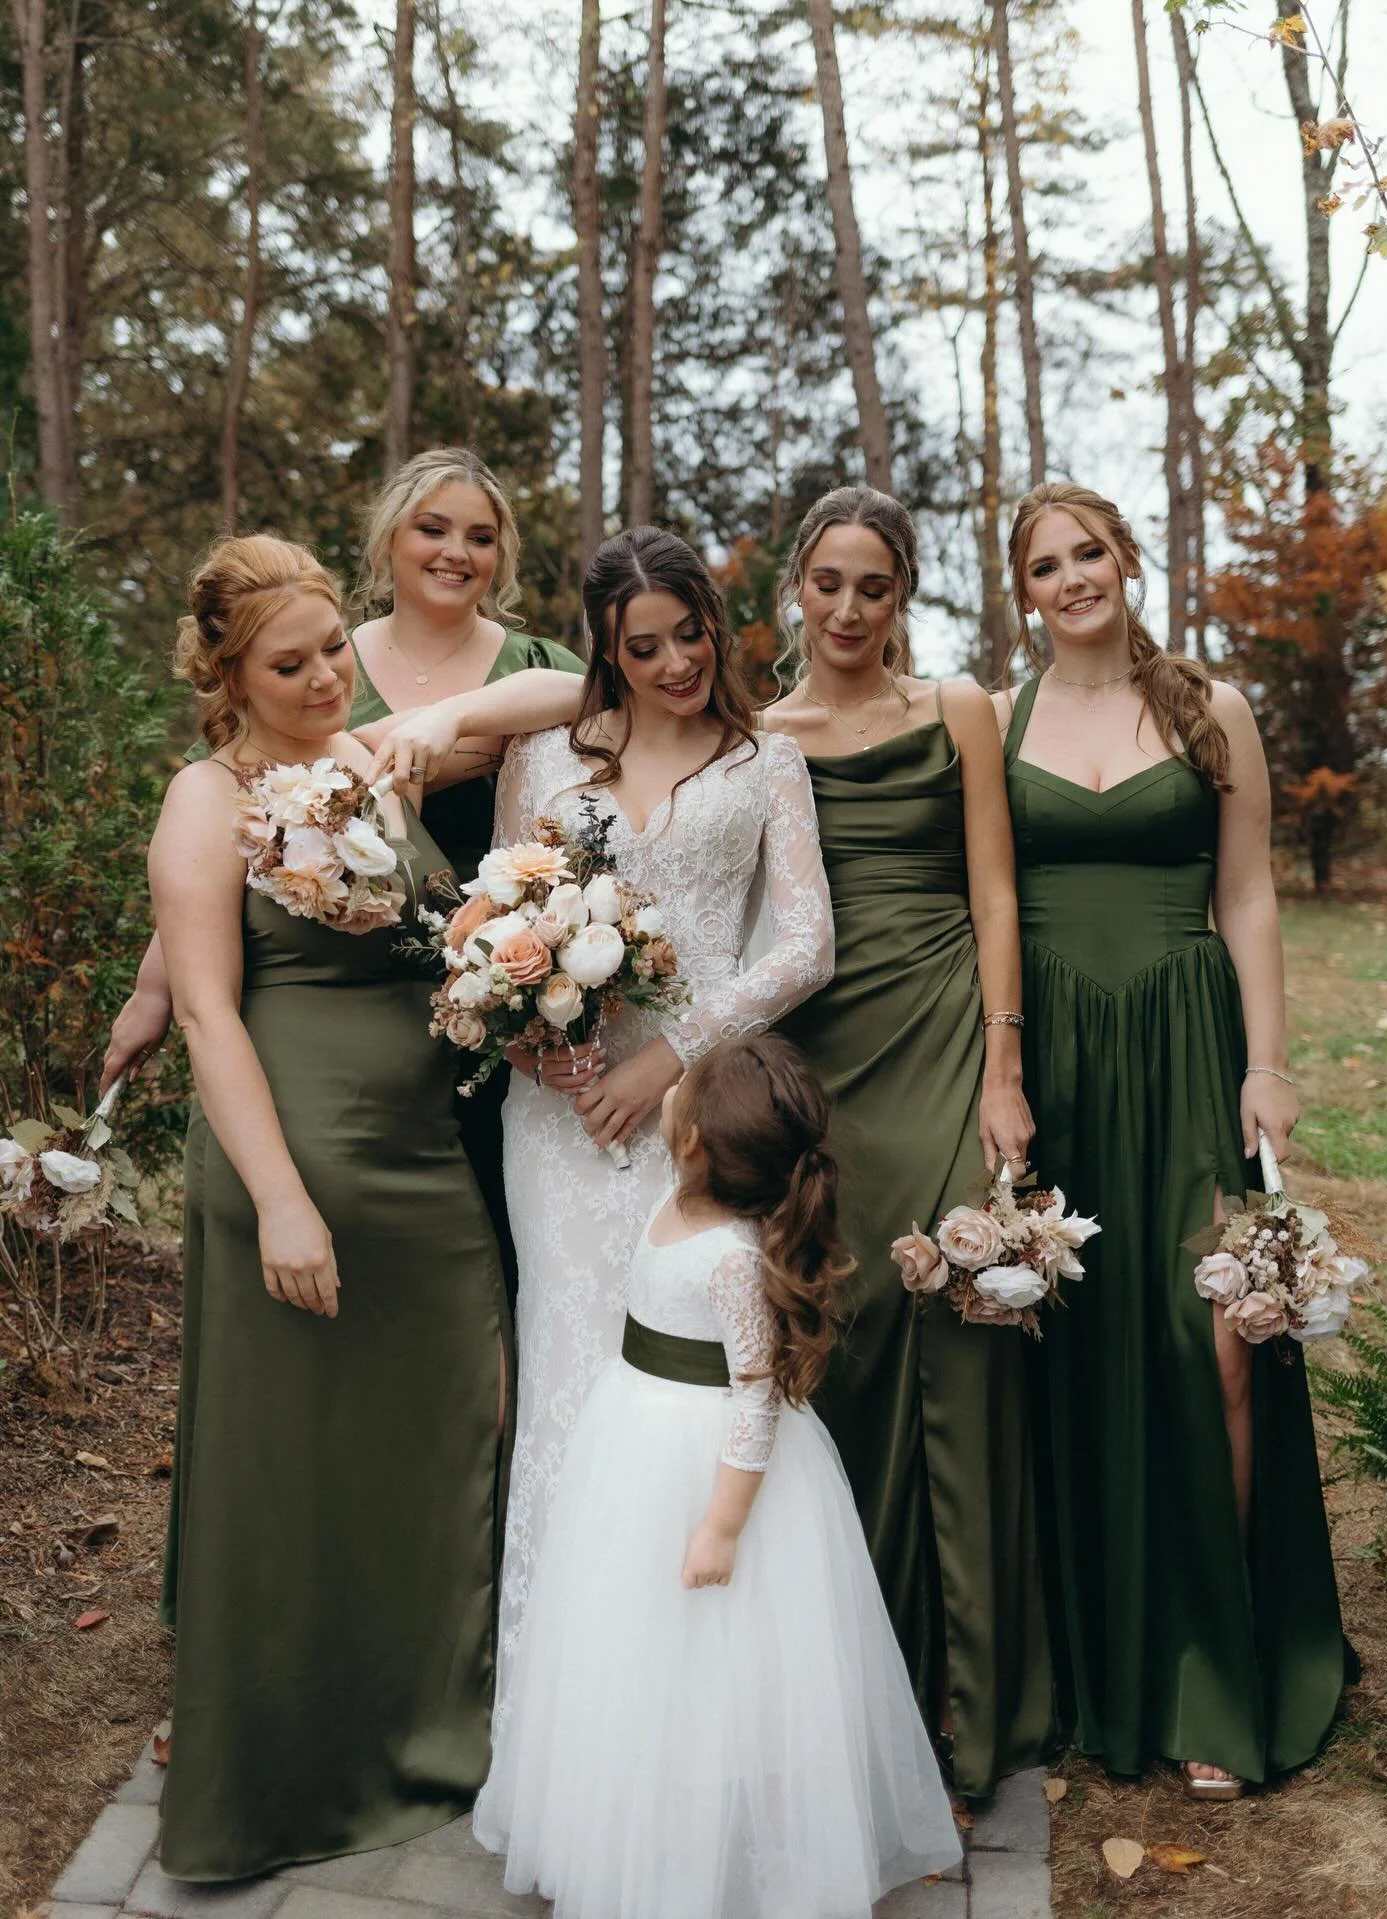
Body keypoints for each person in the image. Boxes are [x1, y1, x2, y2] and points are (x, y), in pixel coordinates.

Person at [148, 536, 562, 1879]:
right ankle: (280, 1781)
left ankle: (433, 1733)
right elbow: (209, 1009)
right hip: (298, 1161)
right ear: (228, 676)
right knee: (294, 1469)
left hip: (422, 1157)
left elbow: (575, 693)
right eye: (291, 661)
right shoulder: (206, 799)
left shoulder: (374, 765)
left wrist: (436, 724)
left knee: (459, 1420)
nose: (327, 675)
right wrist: (280, 1203)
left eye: (335, 646)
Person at [377, 526, 835, 1718]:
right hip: (558, 1120)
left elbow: (805, 943)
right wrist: (540, 1033)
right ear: (607, 650)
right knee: (572, 1380)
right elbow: (499, 919)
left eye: (693, 631)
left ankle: (704, 1696)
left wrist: (672, 1058)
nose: (678, 660)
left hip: (699, 1120)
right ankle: (565, 1714)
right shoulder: (548, 756)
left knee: (699, 1381)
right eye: (647, 644)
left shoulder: (762, 760)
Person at [996, 481, 1345, 1797]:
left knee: (1220, 1345)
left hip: (1190, 1045)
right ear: (1023, 589)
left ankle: (1215, 1660)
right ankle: (1094, 1662)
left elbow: (1247, 890)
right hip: (1065, 1066)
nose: (1074, 575)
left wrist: (1268, 1060)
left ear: (1127, 557)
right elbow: (986, 899)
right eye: (1046, 562)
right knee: (1084, 1351)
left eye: (1091, 550)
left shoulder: (1216, 708)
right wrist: (1005, 1055)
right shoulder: (1000, 716)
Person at [473, 1034, 963, 1919]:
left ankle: (734, 1846)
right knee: (634, 1649)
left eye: (684, 1089)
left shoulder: (735, 1258)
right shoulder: (672, 1195)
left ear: (693, 1137)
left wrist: (723, 1524)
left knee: (726, 1662)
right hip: (632, 1437)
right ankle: (640, 1820)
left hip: (707, 1471)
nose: (672, 1088)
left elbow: (754, 1397)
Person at [100, 448, 584, 1287]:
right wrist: (154, 987)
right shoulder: (292, 711)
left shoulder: (465, 698)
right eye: (431, 527)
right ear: (386, 539)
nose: (454, 551)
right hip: (316, 1049)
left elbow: (598, 698)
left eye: (479, 534)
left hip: (476, 1010)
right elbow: (212, 865)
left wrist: (447, 724)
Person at [764, 486, 1054, 1799]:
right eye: (826, 581)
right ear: (796, 586)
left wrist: (1004, 1063)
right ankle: (860, 1694)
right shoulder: (762, 734)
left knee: (963, 1327)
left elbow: (997, 884)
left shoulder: (963, 711)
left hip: (945, 1036)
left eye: (871, 585)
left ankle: (980, 1701)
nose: (846, 609)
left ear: (904, 594)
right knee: (852, 1334)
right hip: (823, 1062)